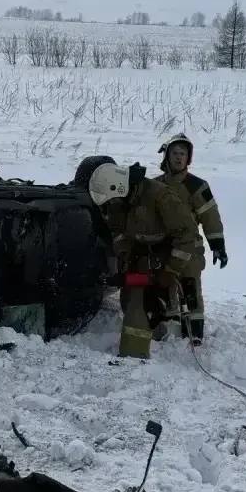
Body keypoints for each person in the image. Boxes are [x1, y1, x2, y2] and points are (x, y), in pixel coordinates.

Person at [77, 156, 198, 359]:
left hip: (173, 255)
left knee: (141, 304)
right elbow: (119, 233)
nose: (111, 206)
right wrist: (126, 263)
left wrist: (170, 271)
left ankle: (135, 355)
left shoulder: (160, 196)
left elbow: (187, 235)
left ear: (120, 188)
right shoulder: (117, 202)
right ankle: (157, 330)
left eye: (112, 201)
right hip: (144, 255)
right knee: (130, 297)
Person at [153, 134, 226, 345]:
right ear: (167, 156)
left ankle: (194, 335)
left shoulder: (196, 186)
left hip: (190, 250)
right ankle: (166, 330)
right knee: (163, 288)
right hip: (162, 249)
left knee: (190, 289)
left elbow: (210, 217)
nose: (178, 158)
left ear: (188, 158)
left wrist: (218, 246)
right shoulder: (154, 185)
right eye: (175, 153)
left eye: (182, 154)